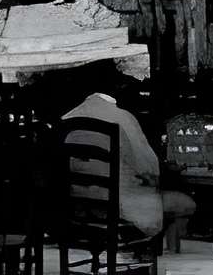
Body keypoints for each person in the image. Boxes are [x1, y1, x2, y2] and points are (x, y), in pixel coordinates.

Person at [62, 89, 196, 260]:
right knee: (184, 203)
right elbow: (148, 166)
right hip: (118, 205)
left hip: (77, 206)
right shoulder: (123, 118)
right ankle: (153, 253)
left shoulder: (66, 120)